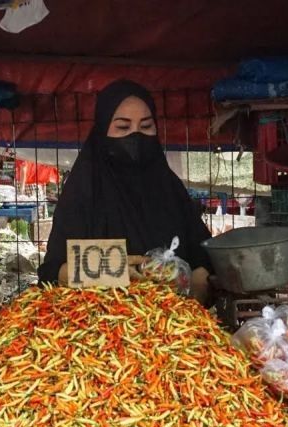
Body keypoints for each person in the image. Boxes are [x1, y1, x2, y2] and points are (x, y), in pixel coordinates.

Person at [38, 80, 213, 303]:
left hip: (174, 326)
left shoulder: (170, 189)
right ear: (102, 131)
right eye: (123, 127)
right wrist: (110, 271)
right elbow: (52, 273)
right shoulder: (82, 193)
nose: (136, 136)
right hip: (102, 327)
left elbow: (204, 256)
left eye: (146, 126)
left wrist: (199, 279)